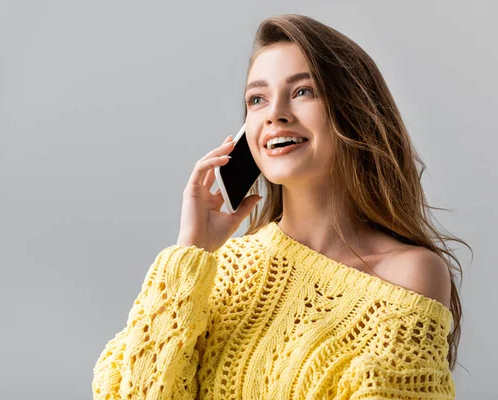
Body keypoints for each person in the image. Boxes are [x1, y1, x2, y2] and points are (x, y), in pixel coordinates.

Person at [91, 14, 470, 399]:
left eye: (303, 91)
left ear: (353, 110)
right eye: (257, 99)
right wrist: (190, 250)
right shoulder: (217, 268)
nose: (275, 113)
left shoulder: (407, 275)